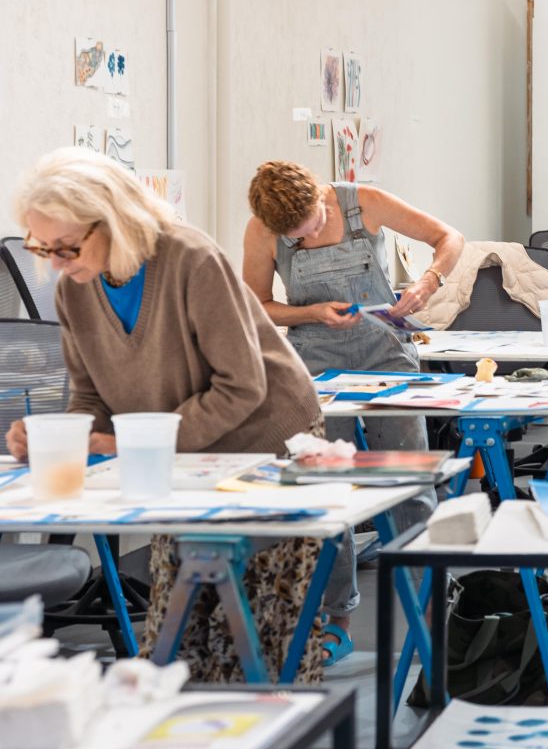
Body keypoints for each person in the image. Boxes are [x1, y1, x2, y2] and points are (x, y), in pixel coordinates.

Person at [6, 147, 327, 681]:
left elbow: (241, 386)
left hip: (268, 438)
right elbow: (90, 398)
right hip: (178, 454)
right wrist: (55, 435)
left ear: (112, 220)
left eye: (66, 246)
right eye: (44, 247)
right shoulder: (74, 291)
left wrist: (127, 445)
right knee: (177, 625)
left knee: (257, 626)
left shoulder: (189, 259)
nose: (56, 262)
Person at [243, 161, 463, 660]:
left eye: (317, 224)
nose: (313, 235)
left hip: (384, 350)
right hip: (317, 364)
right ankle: (335, 616)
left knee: (410, 480)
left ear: (321, 199)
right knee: (326, 488)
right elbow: (256, 304)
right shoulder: (262, 230)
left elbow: (449, 237)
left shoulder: (363, 200)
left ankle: (433, 608)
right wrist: (310, 313)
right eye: (301, 237)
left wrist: (427, 284)